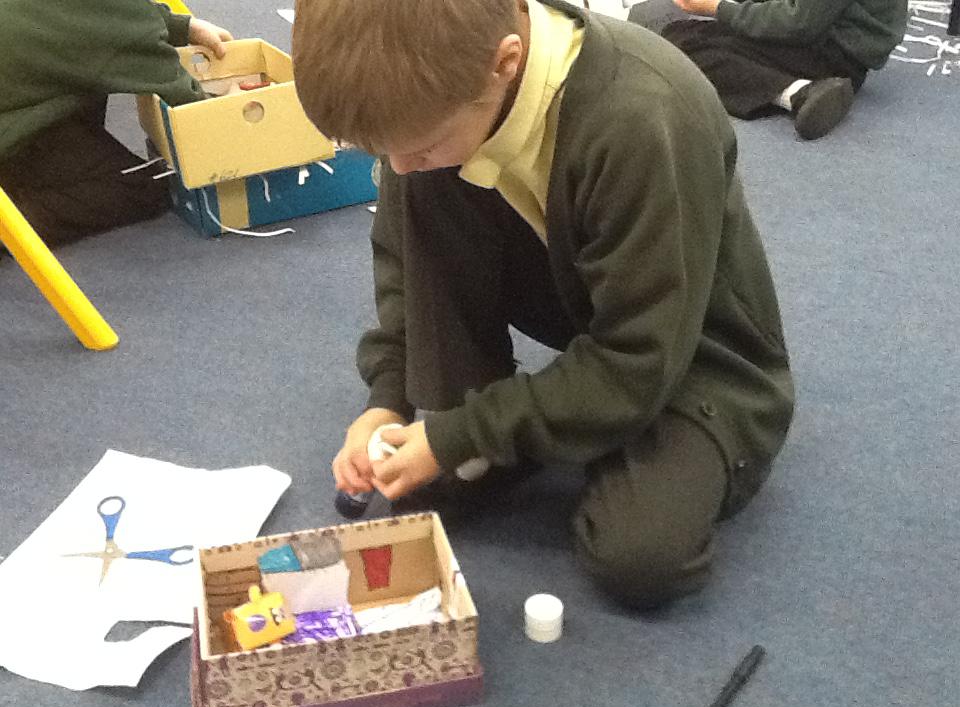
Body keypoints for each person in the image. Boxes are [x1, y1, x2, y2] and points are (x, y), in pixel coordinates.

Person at [293, 0, 795, 609]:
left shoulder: (642, 117)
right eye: (383, 153)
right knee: (430, 182)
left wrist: (462, 434)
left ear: (504, 63)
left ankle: (558, 424)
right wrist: (389, 399)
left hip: (698, 357)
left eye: (419, 145)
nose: (399, 167)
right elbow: (409, 263)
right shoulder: (445, 94)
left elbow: (638, 359)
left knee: (641, 558)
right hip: (585, 299)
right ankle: (532, 418)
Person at [0, 0, 232, 248]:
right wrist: (229, 110)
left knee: (80, 73)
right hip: (14, 135)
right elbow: (180, 93)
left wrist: (182, 27)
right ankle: (10, 225)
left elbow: (117, 16)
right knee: (142, 188)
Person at [647, 0, 908, 140]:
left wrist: (717, 8)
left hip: (834, 54)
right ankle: (802, 89)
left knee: (685, 47)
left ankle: (798, 93)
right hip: (832, 41)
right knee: (680, 35)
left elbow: (798, 24)